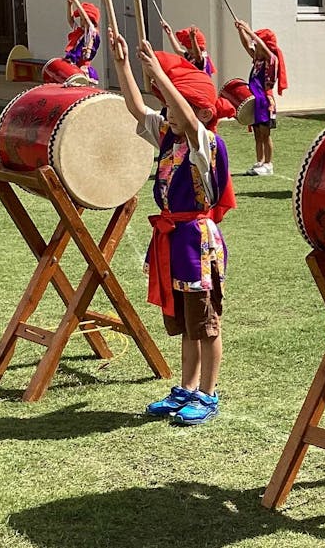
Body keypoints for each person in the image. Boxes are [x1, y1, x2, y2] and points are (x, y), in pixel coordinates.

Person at [107, 29, 236, 426]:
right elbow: (134, 107)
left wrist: (161, 74)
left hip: (198, 245)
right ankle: (187, 387)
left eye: (174, 107)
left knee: (206, 325)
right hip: (172, 240)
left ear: (200, 114)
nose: (166, 113)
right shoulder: (169, 135)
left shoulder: (205, 143)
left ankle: (208, 395)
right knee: (185, 323)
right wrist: (124, 64)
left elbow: (189, 115)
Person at [233, 21, 286, 176]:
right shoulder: (257, 59)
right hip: (256, 100)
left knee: (265, 133)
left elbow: (261, 45)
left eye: (257, 46)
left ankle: (269, 164)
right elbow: (246, 45)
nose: (254, 48)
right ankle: (259, 161)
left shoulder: (271, 59)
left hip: (265, 101)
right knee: (257, 133)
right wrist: (241, 31)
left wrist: (249, 30)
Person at [64, 0, 101, 84]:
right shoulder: (80, 32)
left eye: (82, 19)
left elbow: (86, 18)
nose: (80, 22)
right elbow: (71, 20)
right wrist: (70, 4)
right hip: (75, 64)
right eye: (80, 19)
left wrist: (76, 0)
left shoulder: (91, 32)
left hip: (84, 67)